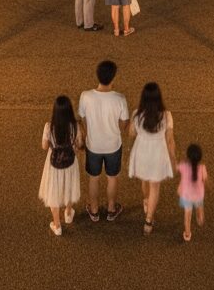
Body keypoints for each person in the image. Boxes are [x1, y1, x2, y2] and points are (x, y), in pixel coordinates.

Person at [78, 60, 129, 222]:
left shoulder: (85, 96)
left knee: (94, 178)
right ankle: (111, 209)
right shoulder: (120, 98)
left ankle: (93, 210)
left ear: (97, 75)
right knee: (112, 177)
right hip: (113, 145)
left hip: (93, 145)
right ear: (113, 78)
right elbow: (124, 123)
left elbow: (82, 119)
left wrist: (88, 133)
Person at [128, 81, 176, 235]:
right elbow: (169, 140)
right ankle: (149, 221)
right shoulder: (166, 116)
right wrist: (173, 159)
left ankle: (146, 201)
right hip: (158, 153)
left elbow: (131, 134)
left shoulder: (137, 114)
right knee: (155, 187)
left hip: (142, 151)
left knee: (144, 180)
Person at [38, 95, 83, 237]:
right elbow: (79, 144)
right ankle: (69, 213)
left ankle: (57, 225)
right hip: (70, 163)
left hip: (54, 165)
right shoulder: (75, 126)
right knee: (69, 186)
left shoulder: (49, 127)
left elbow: (44, 146)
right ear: (70, 110)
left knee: (53, 192)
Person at [177, 143, 208, 243]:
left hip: (186, 196)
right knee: (199, 206)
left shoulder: (183, 166)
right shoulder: (202, 168)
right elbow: (205, 180)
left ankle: (187, 233)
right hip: (198, 194)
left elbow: (175, 167)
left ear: (188, 156)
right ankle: (200, 218)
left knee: (187, 215)